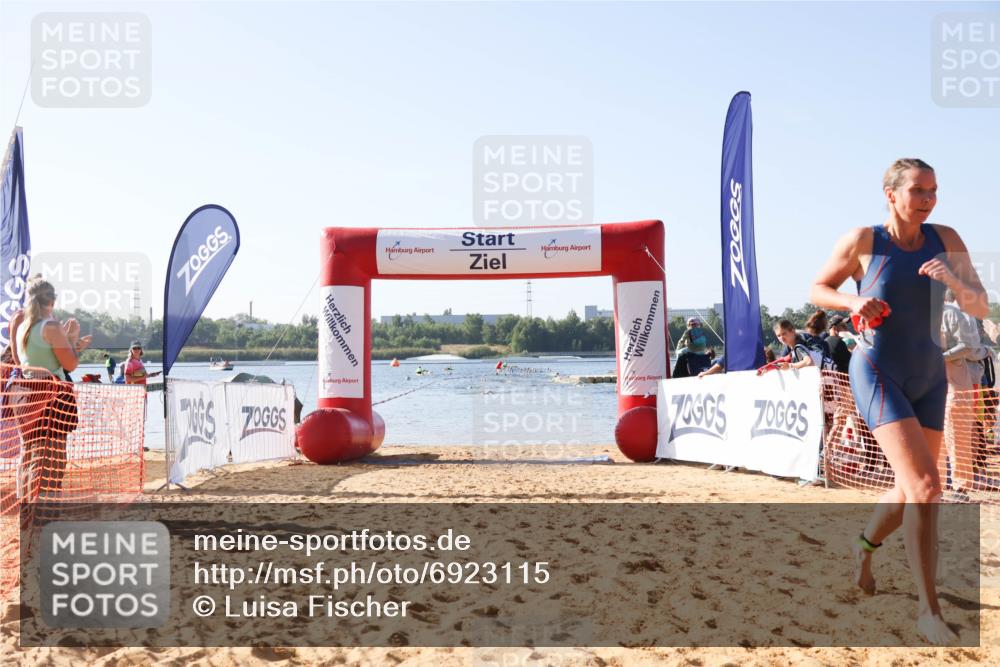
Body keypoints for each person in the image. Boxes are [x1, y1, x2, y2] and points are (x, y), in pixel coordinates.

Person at [810, 158, 988, 644]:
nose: (928, 199)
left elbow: (981, 303)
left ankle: (864, 547)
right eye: (918, 190)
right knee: (927, 486)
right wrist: (852, 302)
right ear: (891, 194)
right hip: (878, 370)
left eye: (933, 190)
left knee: (912, 488)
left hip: (929, 376)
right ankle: (928, 611)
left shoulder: (945, 238)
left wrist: (953, 283)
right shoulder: (864, 241)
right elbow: (818, 288)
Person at [12, 277, 91, 499]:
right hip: (53, 396)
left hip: (27, 395)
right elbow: (70, 364)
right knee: (53, 458)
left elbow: (27, 361)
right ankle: (44, 513)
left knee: (31, 455)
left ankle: (27, 510)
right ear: (53, 301)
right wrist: (73, 340)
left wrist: (69, 343)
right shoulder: (51, 326)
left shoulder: (23, 325)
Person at [939, 289, 988, 499]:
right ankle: (936, 486)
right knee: (934, 440)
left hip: (955, 386)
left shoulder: (954, 314)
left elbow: (968, 346)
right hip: (929, 389)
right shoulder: (917, 315)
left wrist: (941, 357)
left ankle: (960, 487)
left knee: (958, 437)